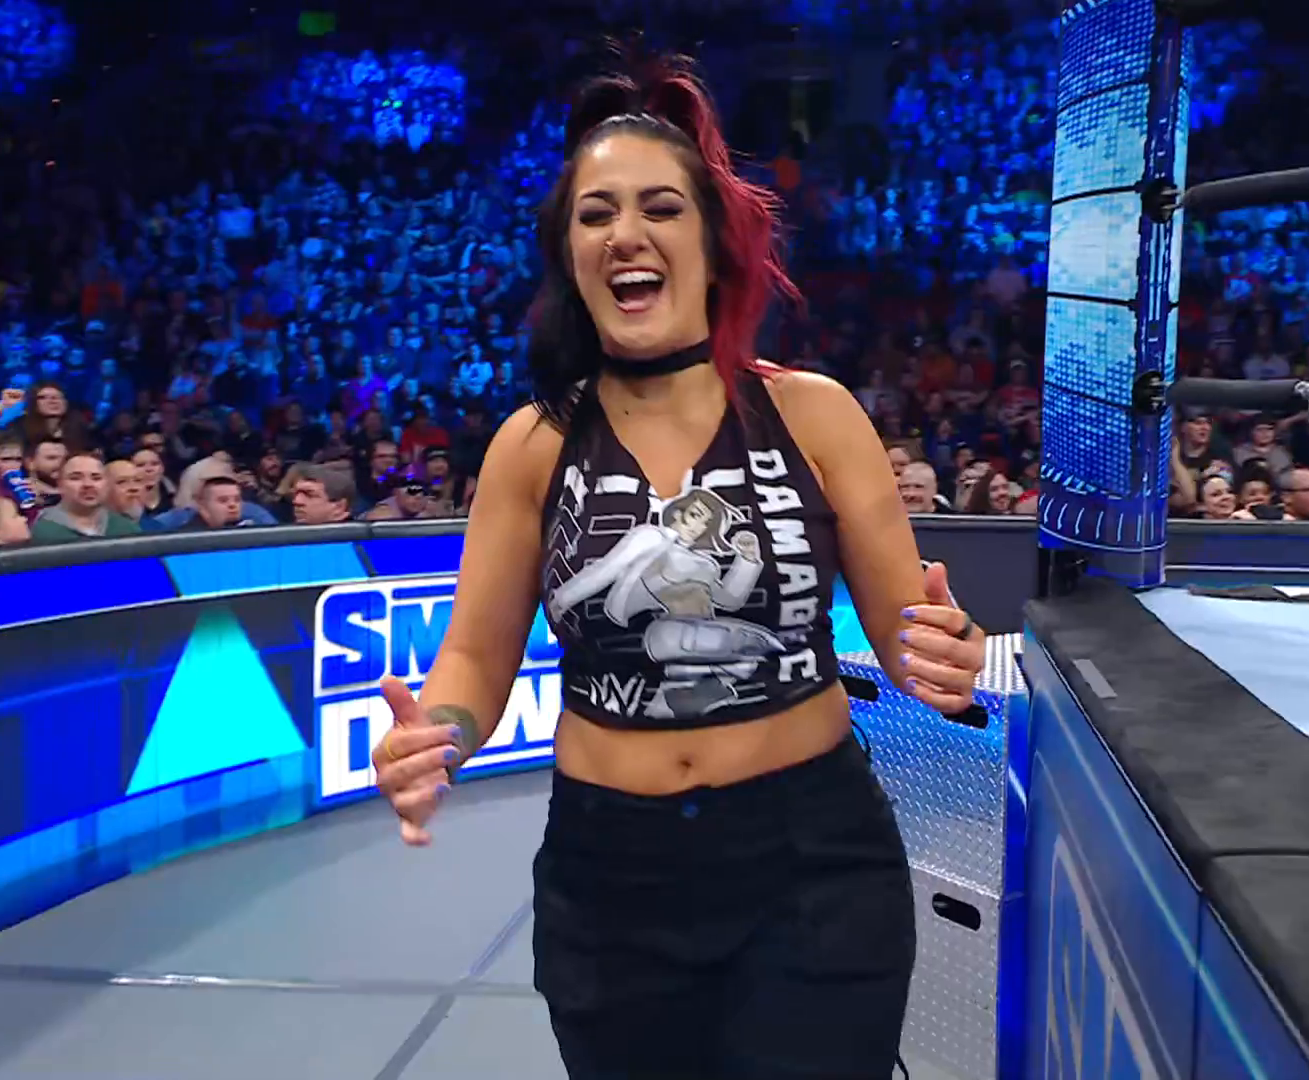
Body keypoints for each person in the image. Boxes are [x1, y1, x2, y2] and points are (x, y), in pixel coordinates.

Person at [369, 55, 985, 1080]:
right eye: (596, 214)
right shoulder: (531, 446)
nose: (626, 234)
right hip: (611, 878)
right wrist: (438, 738)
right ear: (571, 256)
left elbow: (907, 633)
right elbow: (472, 662)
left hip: (812, 865)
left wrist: (947, 650)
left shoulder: (815, 414)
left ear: (711, 245)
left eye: (660, 207)